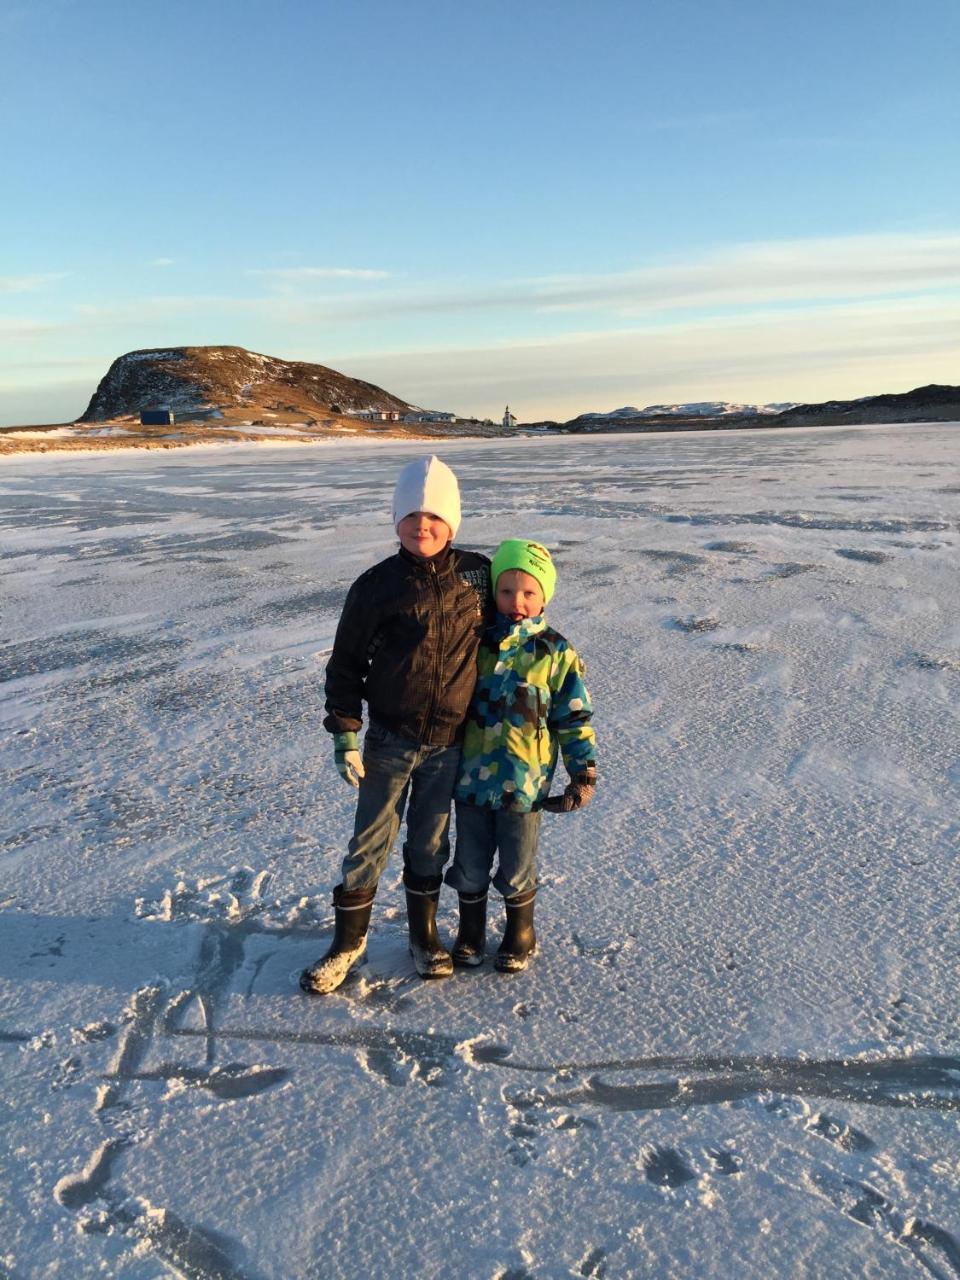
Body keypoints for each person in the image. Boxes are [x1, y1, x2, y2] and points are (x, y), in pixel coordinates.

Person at [300, 455, 491, 994]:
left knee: (430, 845)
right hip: (389, 740)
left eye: (433, 517)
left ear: (452, 522)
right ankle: (347, 943)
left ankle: (423, 935)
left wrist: (552, 657)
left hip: (450, 743)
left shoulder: (477, 576)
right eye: (411, 517)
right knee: (370, 842)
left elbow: (517, 616)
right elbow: (345, 664)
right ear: (396, 522)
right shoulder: (376, 586)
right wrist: (345, 733)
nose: (422, 527)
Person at [446, 539, 596, 972]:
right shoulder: (475, 644)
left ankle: (520, 932)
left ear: (544, 597)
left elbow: (574, 718)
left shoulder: (555, 652)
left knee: (516, 866)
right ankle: (471, 932)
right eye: (507, 591)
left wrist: (582, 775)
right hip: (470, 781)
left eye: (529, 592)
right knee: (469, 865)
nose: (517, 601)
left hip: (525, 786)